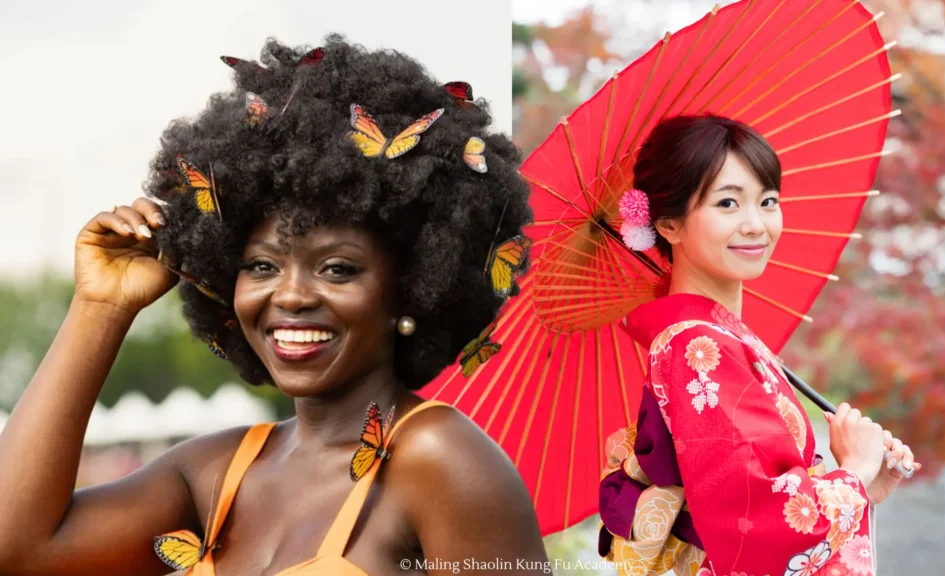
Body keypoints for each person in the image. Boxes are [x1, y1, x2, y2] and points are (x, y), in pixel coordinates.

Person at [0, 35, 548, 575]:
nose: (288, 295)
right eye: (261, 266)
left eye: (337, 269)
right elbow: (20, 549)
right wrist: (101, 307)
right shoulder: (218, 471)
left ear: (411, 286)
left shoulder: (441, 461)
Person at [597, 116, 921, 576]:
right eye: (728, 203)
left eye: (768, 201)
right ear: (669, 225)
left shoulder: (718, 339)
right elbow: (764, 528)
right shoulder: (697, 347)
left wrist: (862, 485)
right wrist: (853, 473)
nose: (756, 224)